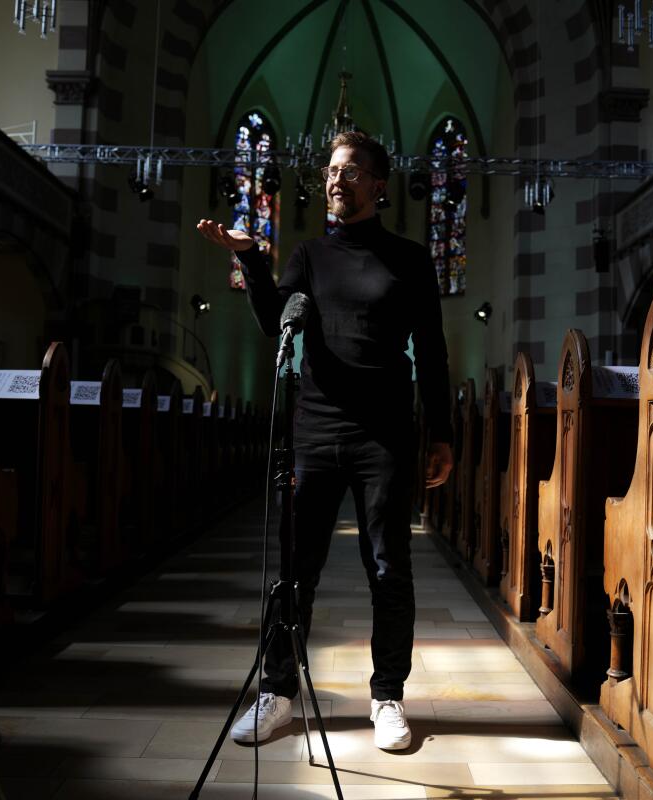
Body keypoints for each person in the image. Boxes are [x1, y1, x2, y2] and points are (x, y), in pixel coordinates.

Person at [196, 130, 454, 751]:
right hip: (314, 427)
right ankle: (278, 692)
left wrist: (441, 432)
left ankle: (387, 697)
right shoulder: (309, 255)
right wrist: (252, 258)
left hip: (385, 434)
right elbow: (273, 322)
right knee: (295, 568)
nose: (336, 179)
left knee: (390, 570)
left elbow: (436, 352)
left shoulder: (411, 259)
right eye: (332, 170)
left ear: (378, 186)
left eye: (350, 170)